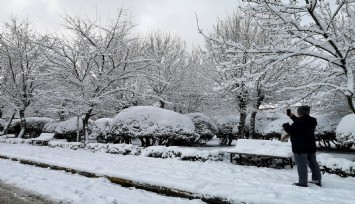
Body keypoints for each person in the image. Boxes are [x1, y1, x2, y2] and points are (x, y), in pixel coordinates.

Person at [282, 106, 322, 187]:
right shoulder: (312, 120)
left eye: (298, 112)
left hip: (300, 147)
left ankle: (303, 183)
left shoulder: (299, 122)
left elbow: (291, 131)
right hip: (310, 146)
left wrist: (286, 126)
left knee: (301, 165)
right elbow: (302, 122)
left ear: (300, 113)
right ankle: (317, 180)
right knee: (313, 163)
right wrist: (292, 116)